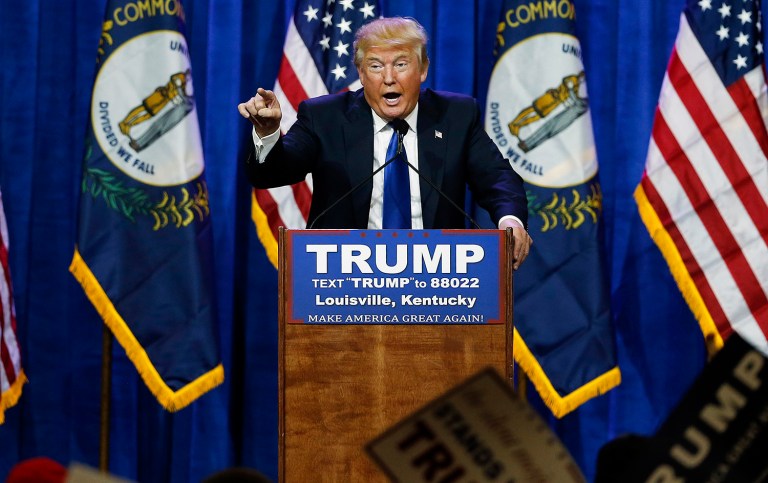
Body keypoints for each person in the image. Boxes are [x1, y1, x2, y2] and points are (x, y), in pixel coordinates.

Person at [238, 17, 532, 269]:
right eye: (376, 66)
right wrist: (267, 133)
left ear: (423, 69)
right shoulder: (324, 117)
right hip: (345, 282)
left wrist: (510, 221)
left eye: (401, 64)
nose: (389, 78)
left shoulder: (456, 116)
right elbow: (273, 173)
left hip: (439, 282)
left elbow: (497, 178)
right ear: (361, 74)